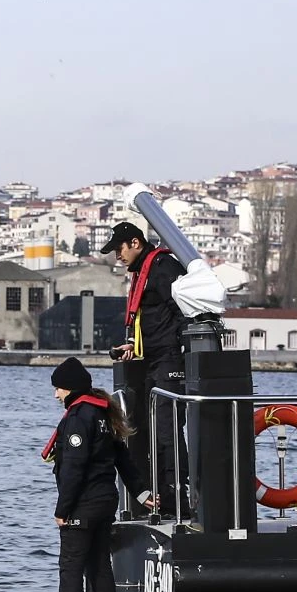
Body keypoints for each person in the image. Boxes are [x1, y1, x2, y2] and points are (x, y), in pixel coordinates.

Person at [31, 357, 150, 592]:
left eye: (58, 388)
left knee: (71, 567)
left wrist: (62, 510)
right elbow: (124, 460)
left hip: (82, 505)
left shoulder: (78, 418)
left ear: (69, 388)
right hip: (106, 501)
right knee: (99, 566)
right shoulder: (103, 414)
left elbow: (73, 468)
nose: (55, 395)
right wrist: (143, 494)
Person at [103, 220, 186, 515]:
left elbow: (182, 312)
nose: (117, 257)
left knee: (167, 431)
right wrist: (133, 346)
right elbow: (148, 320)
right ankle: (160, 496)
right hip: (151, 360)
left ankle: (180, 499)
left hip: (168, 360)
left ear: (135, 243)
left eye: (119, 250)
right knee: (149, 432)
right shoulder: (142, 272)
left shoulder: (163, 268)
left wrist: (174, 348)